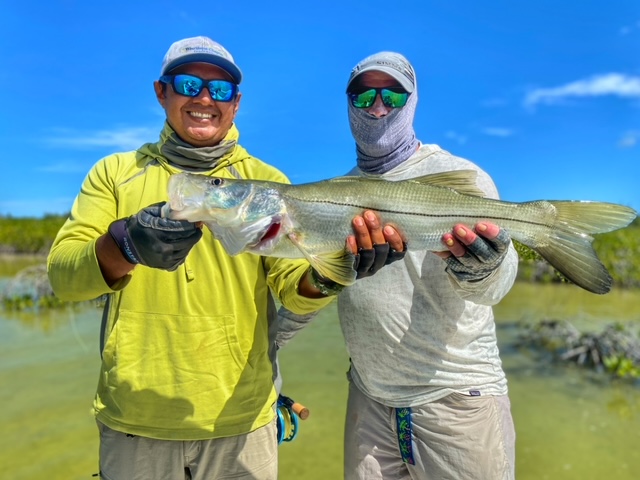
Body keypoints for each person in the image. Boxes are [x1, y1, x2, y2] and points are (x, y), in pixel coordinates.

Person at [46, 37, 402, 480]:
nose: (203, 99)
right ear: (162, 92)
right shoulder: (115, 173)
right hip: (134, 419)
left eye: (220, 90)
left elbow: (295, 290)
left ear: (235, 103)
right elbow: (65, 278)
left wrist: (338, 271)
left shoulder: (267, 182)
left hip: (242, 421)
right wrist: (125, 246)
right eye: (188, 83)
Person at [277, 52, 518, 480]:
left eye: (392, 93)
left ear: (413, 100)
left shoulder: (458, 174)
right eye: (363, 94)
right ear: (348, 103)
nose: (377, 105)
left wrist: (484, 267)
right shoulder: (334, 192)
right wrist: (267, 351)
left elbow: (497, 286)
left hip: (457, 398)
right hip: (368, 397)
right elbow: (309, 290)